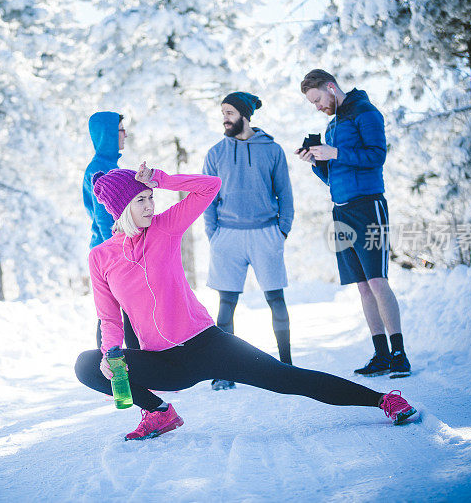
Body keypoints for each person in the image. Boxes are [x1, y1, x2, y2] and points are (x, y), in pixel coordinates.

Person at [74, 162, 418, 441]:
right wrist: (110, 356)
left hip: (206, 345)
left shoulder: (165, 228)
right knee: (87, 365)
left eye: (151, 198)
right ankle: (159, 413)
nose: (151, 205)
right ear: (122, 208)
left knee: (286, 379)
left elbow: (210, 185)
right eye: (141, 200)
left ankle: (383, 401)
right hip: (161, 362)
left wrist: (162, 180)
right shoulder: (101, 258)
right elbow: (110, 319)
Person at [297, 69, 411, 378]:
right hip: (342, 212)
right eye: (312, 103)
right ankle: (381, 354)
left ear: (331, 88)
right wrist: (318, 164)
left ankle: (400, 353)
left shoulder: (366, 112)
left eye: (318, 99)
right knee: (361, 286)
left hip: (368, 206)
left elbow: (377, 156)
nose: (318, 106)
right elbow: (335, 175)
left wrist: (335, 151)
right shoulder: (333, 125)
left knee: (376, 280)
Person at [202, 92, 294, 391]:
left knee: (276, 300)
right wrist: (213, 235)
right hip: (227, 235)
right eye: (223, 113)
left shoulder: (272, 150)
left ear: (244, 115)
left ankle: (287, 367)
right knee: (226, 303)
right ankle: (223, 371)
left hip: (265, 232)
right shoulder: (216, 153)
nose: (224, 118)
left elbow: (285, 193)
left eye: (229, 112)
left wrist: (282, 230)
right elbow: (206, 198)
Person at [82, 112, 138, 349]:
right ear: (107, 134)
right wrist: (120, 253)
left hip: (109, 249)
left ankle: (123, 370)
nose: (125, 134)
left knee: (120, 312)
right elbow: (106, 219)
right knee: (118, 314)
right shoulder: (100, 169)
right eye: (120, 129)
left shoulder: (109, 165)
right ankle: (113, 370)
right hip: (111, 252)